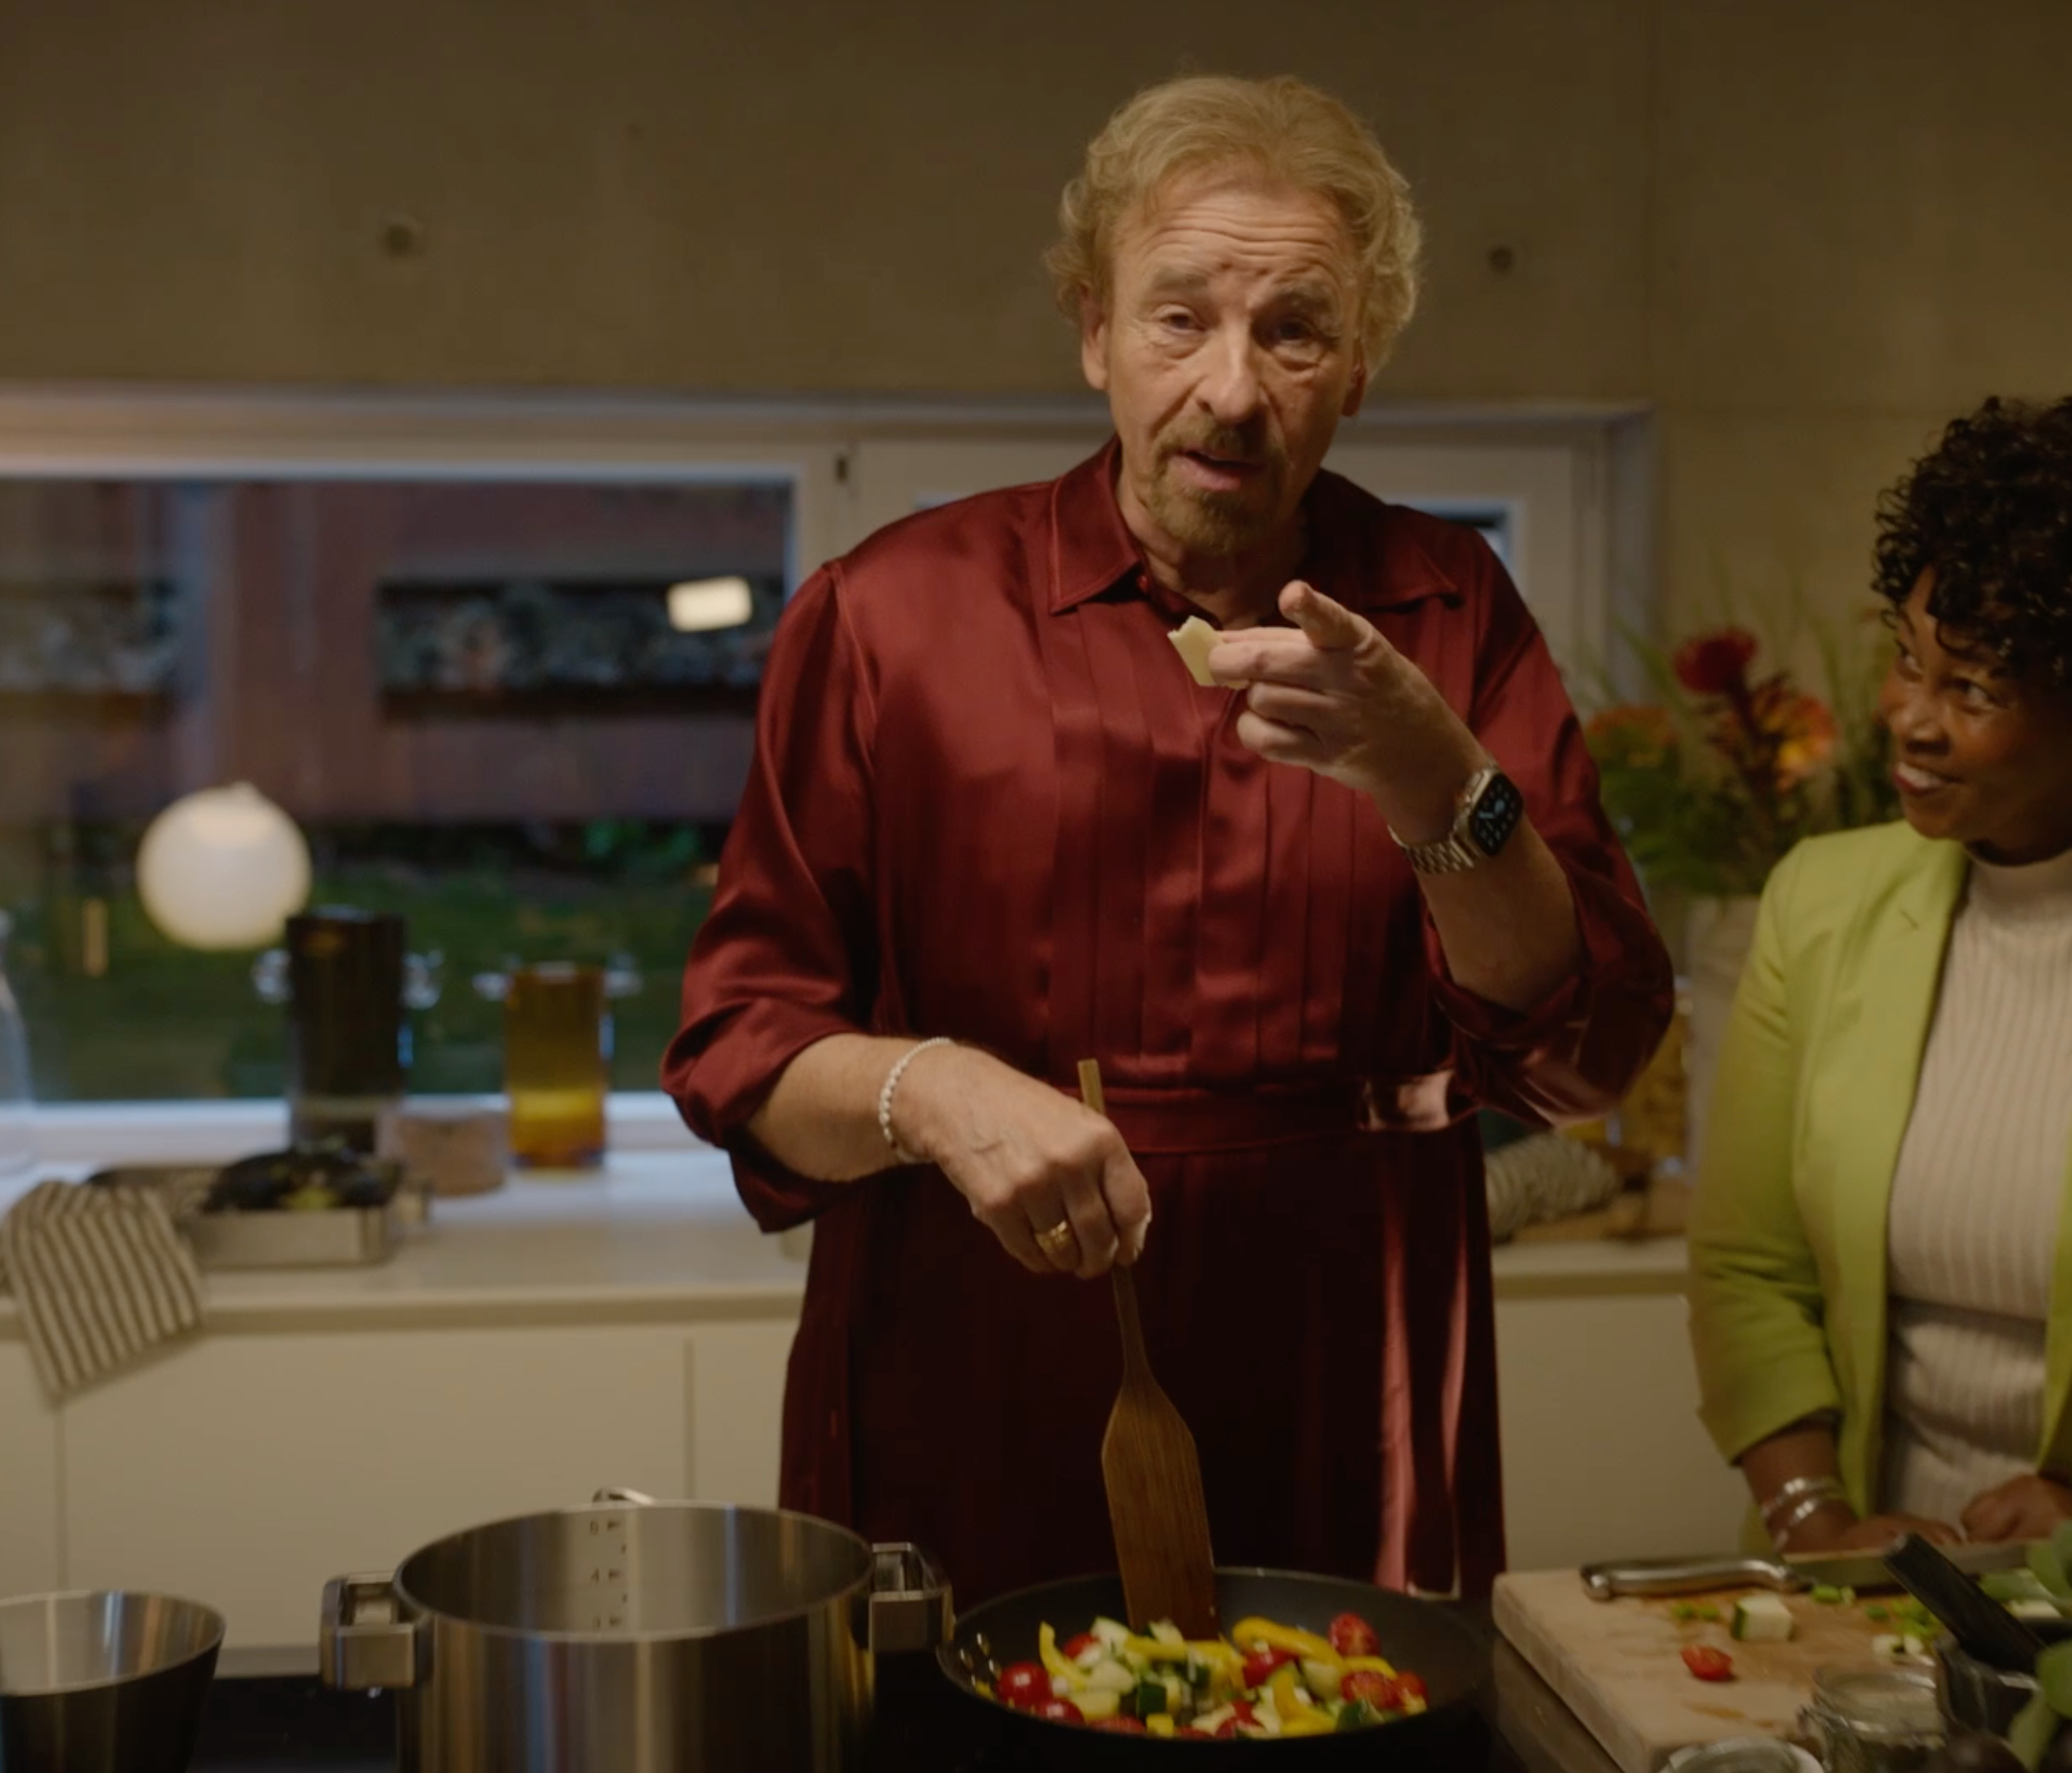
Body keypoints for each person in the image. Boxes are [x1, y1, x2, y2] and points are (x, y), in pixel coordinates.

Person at [665, 72, 1671, 1603]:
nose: (1232, 389)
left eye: (1294, 330)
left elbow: (1586, 1054)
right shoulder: (890, 615)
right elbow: (740, 1044)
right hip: (975, 1360)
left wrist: (1435, 782)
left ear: (1359, 367)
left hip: (1361, 1366)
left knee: (1356, 1698)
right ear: (1094, 332)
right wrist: (931, 1088)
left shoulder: (1450, 605)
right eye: (1179, 318)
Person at [1688, 382, 2072, 1555]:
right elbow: (1749, 1271)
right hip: (1851, 1593)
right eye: (1907, 659)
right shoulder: (1822, 904)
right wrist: (1816, 1521)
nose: (1910, 718)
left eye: (1975, 687)